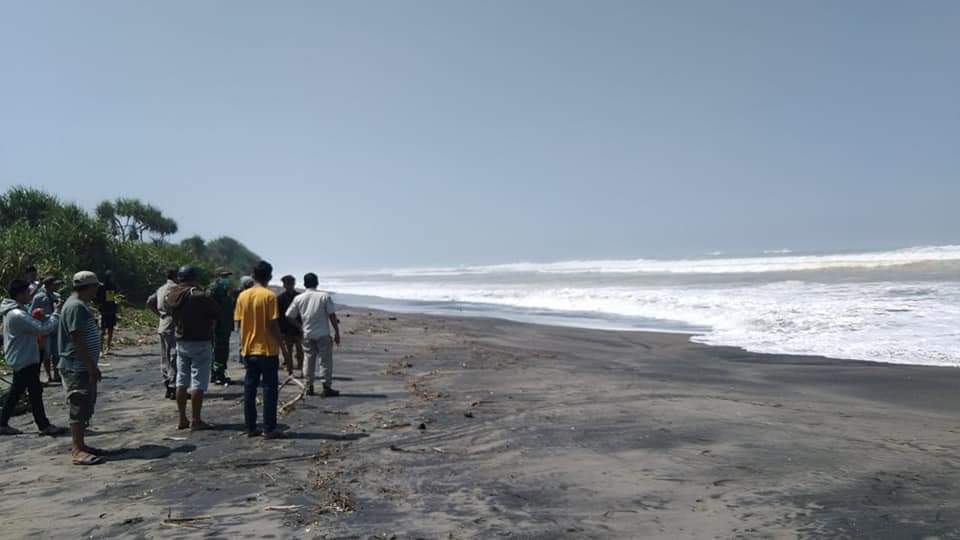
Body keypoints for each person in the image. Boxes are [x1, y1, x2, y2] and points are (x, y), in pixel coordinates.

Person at [0, 279, 66, 436]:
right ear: (20, 294)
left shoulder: (16, 311)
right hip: (24, 358)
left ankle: (4, 423)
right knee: (32, 392)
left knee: (22, 392)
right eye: (28, 293)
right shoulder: (17, 314)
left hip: (23, 357)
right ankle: (43, 425)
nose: (31, 295)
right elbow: (44, 329)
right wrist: (56, 313)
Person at [58, 271, 104, 466]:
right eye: (95, 287)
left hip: (81, 365)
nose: (96, 291)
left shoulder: (77, 304)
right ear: (89, 287)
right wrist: (91, 366)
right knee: (78, 404)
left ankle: (82, 445)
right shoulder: (76, 306)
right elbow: (77, 338)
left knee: (85, 405)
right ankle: (77, 449)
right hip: (76, 366)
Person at [164, 266, 219, 431]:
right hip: (200, 341)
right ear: (194, 278)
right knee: (198, 382)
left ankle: (182, 419)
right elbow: (216, 313)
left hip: (181, 341)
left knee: (181, 380)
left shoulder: (172, 294)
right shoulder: (198, 295)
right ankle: (196, 419)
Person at [234, 261, 285, 439]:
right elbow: (272, 325)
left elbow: (239, 323)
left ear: (253, 275)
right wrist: (284, 348)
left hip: (248, 349)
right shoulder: (269, 296)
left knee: (250, 390)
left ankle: (250, 427)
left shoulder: (242, 296)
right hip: (267, 350)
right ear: (269, 276)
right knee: (270, 390)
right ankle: (269, 428)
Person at [285, 273, 341, 397]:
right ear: (317, 283)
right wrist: (336, 332)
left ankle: (308, 386)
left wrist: (300, 327)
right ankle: (326, 386)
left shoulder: (299, 298)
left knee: (308, 360)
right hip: (323, 333)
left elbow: (289, 315)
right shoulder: (324, 296)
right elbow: (332, 315)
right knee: (325, 361)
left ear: (305, 284)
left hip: (307, 333)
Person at [147, 269, 179, 399]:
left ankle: (167, 383)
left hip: (163, 323)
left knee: (164, 356)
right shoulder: (176, 289)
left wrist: (159, 314)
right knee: (174, 355)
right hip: (173, 323)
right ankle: (173, 386)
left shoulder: (161, 289)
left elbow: (149, 302)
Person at [31, 276, 63, 383]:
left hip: (55, 327)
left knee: (57, 353)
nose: (57, 287)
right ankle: (49, 375)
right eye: (55, 285)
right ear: (48, 285)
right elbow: (33, 312)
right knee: (47, 353)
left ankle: (57, 374)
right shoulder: (39, 297)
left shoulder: (57, 296)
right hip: (45, 328)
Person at [209, 268, 235, 385]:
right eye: (224, 276)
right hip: (218, 325)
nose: (226, 279)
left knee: (221, 350)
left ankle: (218, 373)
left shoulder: (225, 289)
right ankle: (218, 375)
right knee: (219, 350)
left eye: (227, 276)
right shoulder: (214, 289)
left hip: (225, 325)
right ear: (217, 276)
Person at [276, 275, 304, 377]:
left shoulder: (300, 297)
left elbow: (303, 313)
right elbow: (278, 315)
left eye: (291, 283)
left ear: (294, 284)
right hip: (286, 329)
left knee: (300, 351)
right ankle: (290, 371)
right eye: (287, 283)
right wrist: (280, 330)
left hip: (298, 328)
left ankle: (302, 370)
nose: (289, 285)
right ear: (284, 285)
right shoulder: (280, 298)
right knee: (288, 352)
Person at [95, 270, 118, 356]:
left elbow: (111, 298)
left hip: (111, 310)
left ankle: (108, 347)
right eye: (111, 277)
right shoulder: (101, 287)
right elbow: (97, 299)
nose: (112, 279)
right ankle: (100, 349)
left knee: (111, 329)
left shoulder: (113, 286)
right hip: (103, 311)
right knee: (102, 330)